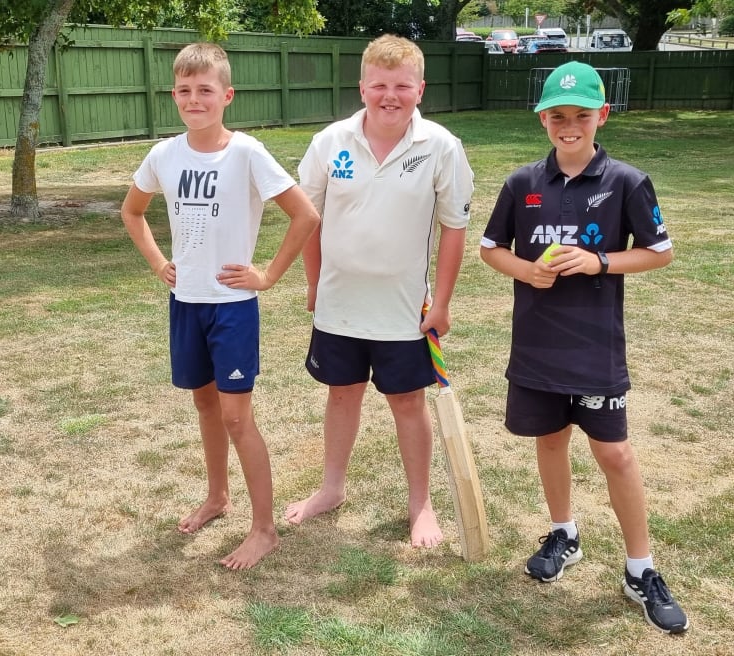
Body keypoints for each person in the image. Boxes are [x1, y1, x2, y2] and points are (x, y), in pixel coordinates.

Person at [479, 61, 689, 634]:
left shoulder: (626, 181)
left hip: (595, 348)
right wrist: (528, 270)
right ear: (542, 119)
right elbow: (491, 248)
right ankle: (563, 533)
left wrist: (600, 261)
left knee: (614, 453)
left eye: (580, 116)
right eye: (557, 116)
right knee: (550, 440)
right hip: (536, 346)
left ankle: (640, 569)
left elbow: (659, 252)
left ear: (602, 116)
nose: (569, 126)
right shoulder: (521, 183)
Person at [120, 42, 320, 570]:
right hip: (186, 302)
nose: (194, 99)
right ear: (174, 95)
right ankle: (217, 497)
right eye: (184, 90)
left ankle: (264, 529)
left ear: (226, 95)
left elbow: (305, 215)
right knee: (205, 406)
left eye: (205, 90)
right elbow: (132, 211)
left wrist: (267, 275)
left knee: (236, 417)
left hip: (231, 306)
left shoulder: (247, 152)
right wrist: (159, 263)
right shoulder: (163, 155)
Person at [283, 34, 475, 549]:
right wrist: (314, 284)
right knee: (341, 393)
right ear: (362, 87)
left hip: (404, 309)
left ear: (420, 90)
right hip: (340, 304)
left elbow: (454, 228)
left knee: (407, 401)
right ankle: (331, 489)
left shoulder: (441, 146)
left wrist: (442, 302)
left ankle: (420, 505)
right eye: (380, 85)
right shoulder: (330, 142)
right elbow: (309, 220)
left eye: (403, 86)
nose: (390, 96)